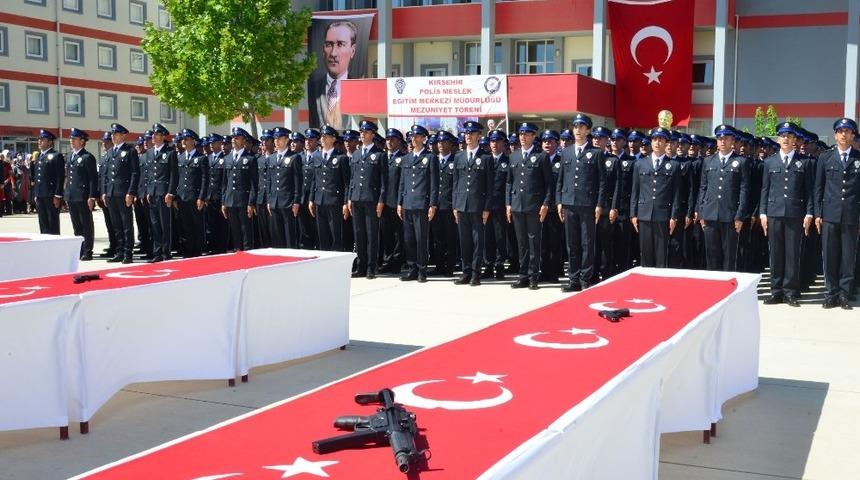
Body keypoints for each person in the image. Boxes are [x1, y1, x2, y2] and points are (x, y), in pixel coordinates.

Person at [760, 122, 813, 306]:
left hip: (794, 213)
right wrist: (762, 213)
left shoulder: (804, 162)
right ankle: (776, 291)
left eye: (789, 136)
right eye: (782, 136)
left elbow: (809, 192)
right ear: (778, 138)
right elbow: (765, 190)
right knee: (775, 253)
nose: (785, 139)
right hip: (774, 213)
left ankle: (790, 291)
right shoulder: (770, 162)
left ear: (795, 140)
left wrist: (809, 213)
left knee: (792, 254)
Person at [557, 114, 607, 292]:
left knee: (587, 243)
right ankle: (573, 280)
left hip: (587, 205)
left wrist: (599, 205)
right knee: (572, 244)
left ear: (588, 131)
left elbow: (602, 182)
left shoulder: (596, 153)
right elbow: (561, 180)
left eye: (581, 127)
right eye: (575, 126)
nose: (577, 130)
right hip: (569, 203)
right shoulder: (566, 152)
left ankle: (586, 280)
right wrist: (559, 201)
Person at [814, 118, 860, 309]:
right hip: (830, 214)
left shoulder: (858, 158)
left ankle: (844, 294)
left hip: (851, 215)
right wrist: (817, 214)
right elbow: (818, 188)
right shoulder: (825, 157)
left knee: (848, 257)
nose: (843, 134)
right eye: (840, 131)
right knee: (830, 255)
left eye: (847, 131)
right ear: (835, 135)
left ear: (853, 135)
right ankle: (831, 293)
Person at [696, 124, 751, 272]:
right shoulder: (708, 161)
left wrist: (739, 216)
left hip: (730, 215)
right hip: (710, 214)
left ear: (732, 140)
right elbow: (703, 188)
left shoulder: (741, 161)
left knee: (729, 257)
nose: (722, 141)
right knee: (712, 257)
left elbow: (744, 190)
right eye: (719, 138)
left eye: (726, 138)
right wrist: (701, 212)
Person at [506, 122, 553, 290]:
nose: (523, 137)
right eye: (521, 134)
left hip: (534, 206)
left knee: (534, 242)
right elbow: (509, 183)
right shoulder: (514, 156)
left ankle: (534, 276)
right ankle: (523, 275)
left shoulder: (542, 156)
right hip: (517, 205)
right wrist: (508, 204)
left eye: (527, 134)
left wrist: (546, 204)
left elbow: (549, 184)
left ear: (534, 136)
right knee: (522, 243)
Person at [630, 127, 682, 268]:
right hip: (644, 214)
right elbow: (635, 190)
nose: (657, 142)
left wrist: (674, 216)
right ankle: (646, 286)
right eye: (654, 139)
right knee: (645, 254)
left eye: (661, 139)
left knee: (661, 255)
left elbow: (676, 193)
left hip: (663, 215)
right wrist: (633, 214)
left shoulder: (673, 165)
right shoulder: (640, 163)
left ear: (666, 143)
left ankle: (660, 286)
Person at [453, 121, 493, 286]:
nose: (468, 136)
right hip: (462, 205)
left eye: (472, 133)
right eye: (466, 133)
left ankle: (476, 274)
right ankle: (466, 272)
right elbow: (455, 183)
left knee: (478, 241)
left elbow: (490, 186)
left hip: (478, 206)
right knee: (465, 241)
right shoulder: (459, 156)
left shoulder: (485, 158)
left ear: (479, 136)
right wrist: (455, 205)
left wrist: (486, 208)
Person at [398, 124, 439, 282]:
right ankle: (412, 268)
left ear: (423, 138)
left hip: (422, 203)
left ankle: (422, 269)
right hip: (407, 202)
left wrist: (433, 204)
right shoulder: (407, 158)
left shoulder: (430, 158)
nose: (413, 139)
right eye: (412, 137)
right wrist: (400, 202)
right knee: (409, 238)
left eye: (417, 136)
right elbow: (402, 182)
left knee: (421, 238)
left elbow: (434, 184)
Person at [348, 121, 386, 278]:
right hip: (356, 198)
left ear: (372, 134)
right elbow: (352, 178)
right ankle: (361, 266)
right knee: (359, 234)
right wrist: (349, 198)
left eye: (366, 131)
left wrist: (381, 200)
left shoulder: (379, 154)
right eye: (361, 131)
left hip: (371, 199)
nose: (362, 134)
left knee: (371, 234)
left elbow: (384, 181)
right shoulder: (356, 154)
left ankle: (371, 267)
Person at [101, 123, 141, 263]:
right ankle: (119, 251)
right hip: (111, 193)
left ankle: (127, 253)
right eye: (112, 134)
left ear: (123, 135)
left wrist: (131, 192)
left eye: (116, 134)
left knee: (126, 224)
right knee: (116, 224)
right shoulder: (110, 152)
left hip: (124, 193)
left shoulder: (130, 151)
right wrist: (105, 192)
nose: (113, 136)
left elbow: (135, 173)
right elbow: (106, 175)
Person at [308, 20, 358, 130]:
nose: (333, 53)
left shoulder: (358, 90)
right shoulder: (313, 88)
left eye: (341, 44)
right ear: (323, 49)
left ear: (352, 50)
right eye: (328, 45)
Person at [309, 125, 350, 251]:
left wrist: (345, 203)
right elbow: (314, 180)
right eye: (321, 136)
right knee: (323, 235)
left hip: (334, 201)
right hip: (320, 200)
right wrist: (311, 199)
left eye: (325, 136)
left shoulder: (341, 158)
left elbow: (346, 183)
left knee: (336, 235)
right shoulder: (316, 157)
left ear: (333, 139)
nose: (322, 139)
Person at [144, 123, 178, 262]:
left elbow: (173, 175)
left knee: (165, 224)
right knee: (155, 224)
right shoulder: (150, 152)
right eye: (153, 134)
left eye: (157, 134)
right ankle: (157, 252)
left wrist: (170, 193)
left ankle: (166, 251)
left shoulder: (170, 153)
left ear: (163, 136)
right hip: (153, 193)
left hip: (164, 194)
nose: (154, 136)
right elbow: (149, 174)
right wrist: (148, 190)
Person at [221, 127, 258, 251]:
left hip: (244, 201)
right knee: (235, 231)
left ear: (243, 140)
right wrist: (224, 202)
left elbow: (254, 184)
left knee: (246, 231)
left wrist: (251, 202)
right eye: (233, 138)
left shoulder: (251, 159)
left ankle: (248, 255)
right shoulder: (227, 158)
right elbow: (225, 183)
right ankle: (238, 253)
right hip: (230, 200)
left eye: (237, 138)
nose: (233, 140)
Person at [63, 128, 98, 260]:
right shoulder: (70, 156)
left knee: (86, 225)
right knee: (76, 225)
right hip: (72, 196)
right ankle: (80, 248)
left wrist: (92, 196)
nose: (72, 141)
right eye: (71, 139)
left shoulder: (87, 157)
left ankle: (88, 250)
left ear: (82, 141)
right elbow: (68, 178)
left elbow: (92, 179)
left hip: (83, 196)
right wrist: (66, 194)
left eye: (75, 139)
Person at [175, 129, 209, 257]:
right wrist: (175, 197)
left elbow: (205, 180)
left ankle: (198, 250)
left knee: (197, 226)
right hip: (182, 197)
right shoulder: (180, 158)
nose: (183, 141)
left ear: (193, 141)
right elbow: (177, 178)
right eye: (183, 139)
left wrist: (202, 197)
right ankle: (189, 250)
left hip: (195, 198)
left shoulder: (201, 158)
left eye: (187, 139)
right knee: (186, 226)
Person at [267, 127, 302, 249]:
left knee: (289, 237)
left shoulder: (294, 157)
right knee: (277, 237)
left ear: (287, 140)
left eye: (280, 138)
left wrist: (296, 202)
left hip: (288, 202)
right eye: (275, 138)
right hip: (274, 202)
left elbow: (298, 181)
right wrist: (269, 200)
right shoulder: (271, 158)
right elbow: (269, 180)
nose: (276, 141)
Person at [429, 130, 458, 277]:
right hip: (435, 206)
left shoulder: (455, 160)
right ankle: (439, 265)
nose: (440, 145)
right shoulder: (432, 160)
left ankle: (450, 266)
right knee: (437, 238)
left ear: (450, 144)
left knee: (450, 238)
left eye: (443, 142)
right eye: (438, 142)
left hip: (449, 205)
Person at [31, 129, 65, 234]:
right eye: (39, 139)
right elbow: (37, 177)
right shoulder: (39, 157)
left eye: (42, 139)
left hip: (51, 195)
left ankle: (54, 247)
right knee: (43, 222)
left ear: (50, 142)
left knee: (52, 223)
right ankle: (45, 246)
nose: (39, 142)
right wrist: (36, 193)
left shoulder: (56, 155)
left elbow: (60, 177)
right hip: (40, 194)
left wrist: (58, 195)